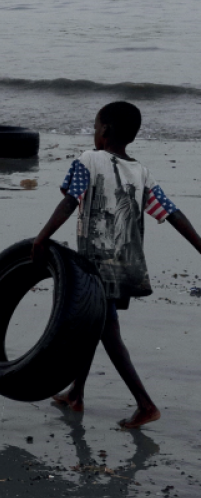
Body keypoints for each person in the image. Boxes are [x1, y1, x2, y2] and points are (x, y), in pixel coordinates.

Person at [32, 101, 201, 428]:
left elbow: (69, 201)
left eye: (96, 127)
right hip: (127, 266)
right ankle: (76, 394)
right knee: (94, 325)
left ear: (105, 131)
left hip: (97, 264)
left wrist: (41, 238)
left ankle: (145, 404)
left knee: (106, 331)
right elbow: (172, 213)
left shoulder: (88, 160)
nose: (94, 133)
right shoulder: (142, 173)